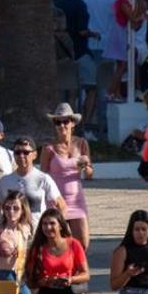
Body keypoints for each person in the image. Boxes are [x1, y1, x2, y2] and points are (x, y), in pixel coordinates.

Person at [24, 207, 89, 294]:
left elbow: (86, 274)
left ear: (60, 225)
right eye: (44, 224)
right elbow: (30, 280)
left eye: (52, 223)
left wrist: (70, 279)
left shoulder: (73, 244)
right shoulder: (37, 248)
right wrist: (45, 281)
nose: (48, 227)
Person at [42, 107, 94, 250]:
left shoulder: (82, 143)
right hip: (57, 201)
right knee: (58, 245)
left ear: (73, 123)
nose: (62, 126)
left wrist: (85, 166)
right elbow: (43, 177)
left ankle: (79, 271)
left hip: (77, 200)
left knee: (83, 244)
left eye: (65, 121)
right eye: (58, 122)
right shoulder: (49, 148)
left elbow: (90, 175)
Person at [0, 137, 67, 221]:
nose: (21, 156)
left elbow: (61, 205)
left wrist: (58, 226)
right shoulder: (5, 181)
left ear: (35, 155)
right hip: (13, 232)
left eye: (26, 152)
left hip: (36, 231)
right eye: (17, 152)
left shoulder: (43, 178)